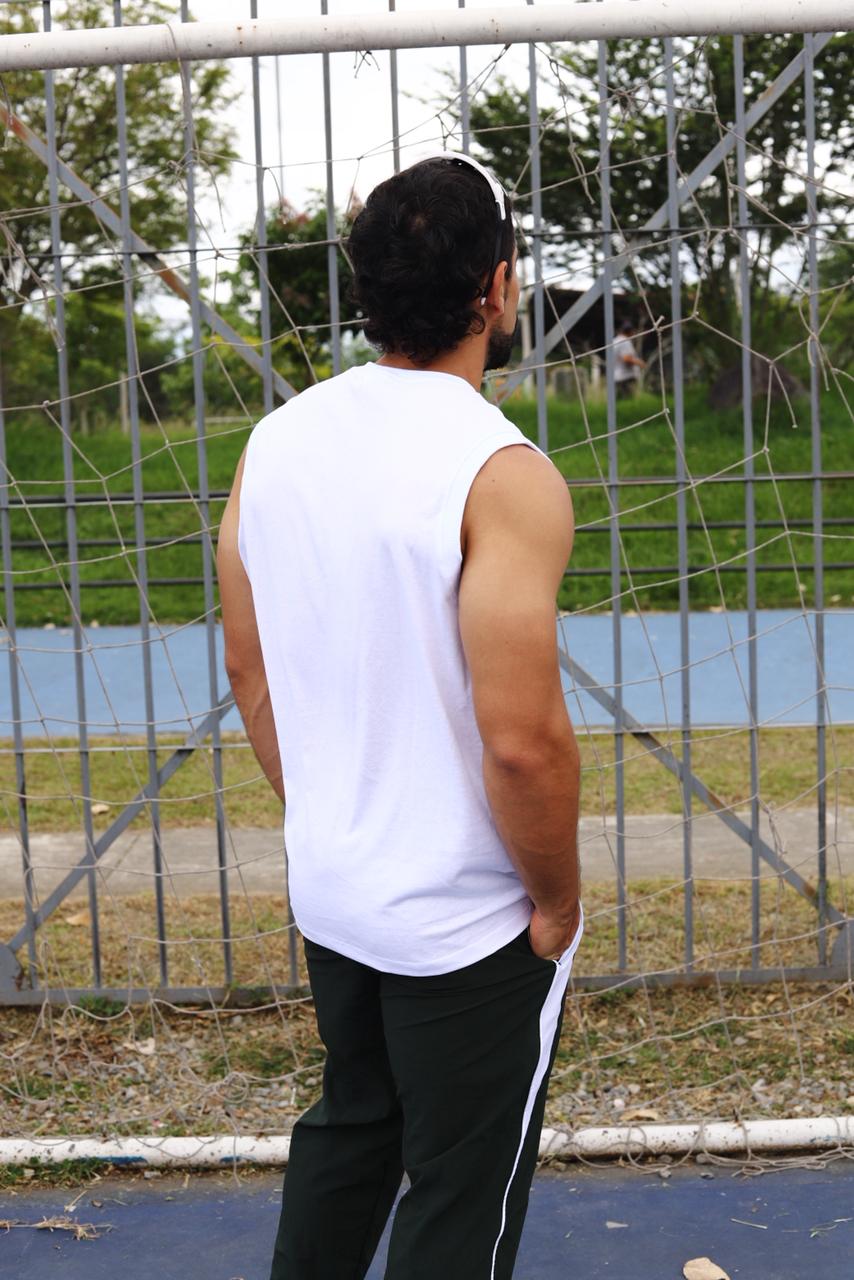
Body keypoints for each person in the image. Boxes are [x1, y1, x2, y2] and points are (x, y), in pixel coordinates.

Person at [216, 152, 582, 1280]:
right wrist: (556, 899)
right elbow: (521, 741)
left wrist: (334, 812)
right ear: (499, 287)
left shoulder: (275, 442)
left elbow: (248, 669)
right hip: (465, 916)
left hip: (336, 884)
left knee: (352, 1130)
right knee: (461, 1193)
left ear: (364, 285)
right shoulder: (501, 471)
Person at [613, 319, 645, 397]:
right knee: (629, 399)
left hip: (616, 376)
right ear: (630, 331)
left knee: (620, 401)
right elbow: (626, 358)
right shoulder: (625, 341)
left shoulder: (615, 340)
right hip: (625, 377)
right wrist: (640, 363)